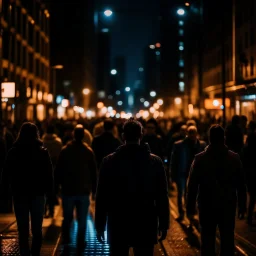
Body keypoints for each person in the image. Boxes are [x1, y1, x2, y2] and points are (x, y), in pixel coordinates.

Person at [95, 118, 170, 256]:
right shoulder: (154, 162)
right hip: (145, 222)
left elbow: (101, 196)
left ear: (123, 136)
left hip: (118, 222)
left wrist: (100, 225)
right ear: (141, 136)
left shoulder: (109, 161)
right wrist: (164, 224)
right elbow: (162, 196)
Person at [186, 124, 247, 256]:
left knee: (207, 242)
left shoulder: (199, 159)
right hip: (228, 206)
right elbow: (241, 185)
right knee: (227, 241)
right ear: (223, 138)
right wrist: (242, 206)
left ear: (209, 139)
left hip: (206, 206)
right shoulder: (234, 158)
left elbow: (192, 186)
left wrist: (190, 208)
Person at [0, 122, 54, 256]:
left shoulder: (13, 151)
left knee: (23, 230)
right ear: (36, 134)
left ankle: (24, 253)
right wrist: (50, 194)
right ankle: (35, 253)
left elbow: (6, 173)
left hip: (19, 194)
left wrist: (6, 192)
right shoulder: (42, 152)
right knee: (37, 230)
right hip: (38, 194)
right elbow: (49, 175)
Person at [55, 124, 97, 252]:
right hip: (84, 190)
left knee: (67, 216)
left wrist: (56, 187)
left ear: (73, 134)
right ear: (84, 136)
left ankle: (66, 238)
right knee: (82, 218)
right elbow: (94, 173)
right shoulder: (88, 151)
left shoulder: (65, 150)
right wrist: (94, 190)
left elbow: (58, 170)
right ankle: (80, 241)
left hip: (68, 189)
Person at [170, 125, 206, 221]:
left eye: (193, 133)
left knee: (192, 194)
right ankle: (182, 213)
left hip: (194, 173)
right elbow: (174, 161)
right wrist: (172, 174)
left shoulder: (201, 145)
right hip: (183, 172)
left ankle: (190, 213)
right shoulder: (179, 145)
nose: (192, 136)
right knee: (181, 193)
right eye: (190, 133)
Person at [42, 124, 63, 218]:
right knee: (52, 190)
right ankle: (51, 210)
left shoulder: (42, 142)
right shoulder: (58, 142)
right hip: (55, 168)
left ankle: (43, 209)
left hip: (43, 169)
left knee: (43, 190)